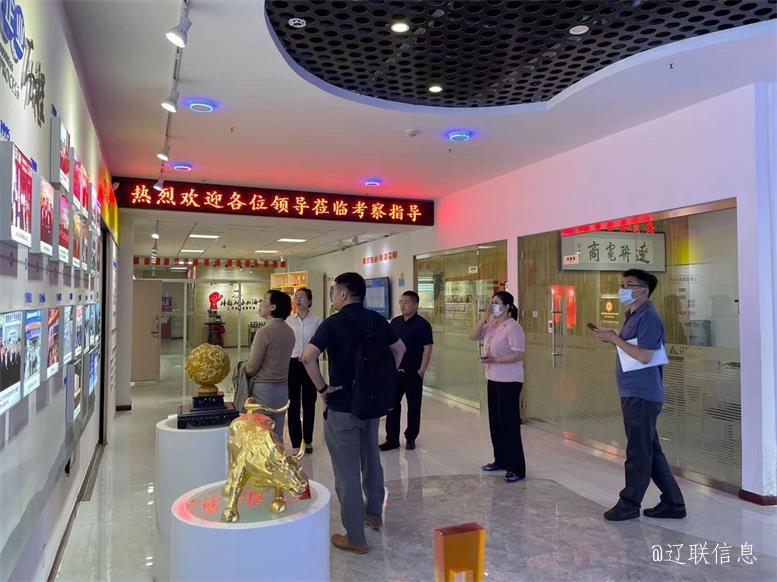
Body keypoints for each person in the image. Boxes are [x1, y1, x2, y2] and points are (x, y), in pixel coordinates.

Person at [301, 272, 405, 554]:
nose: (333, 296)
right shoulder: (377, 320)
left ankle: (355, 537)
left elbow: (308, 357)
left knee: (346, 473)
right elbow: (399, 349)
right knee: (372, 460)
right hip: (371, 406)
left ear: (344, 294)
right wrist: (383, 379)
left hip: (343, 407)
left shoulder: (333, 323)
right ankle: (374, 513)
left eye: (334, 291)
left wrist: (322, 388)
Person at [592, 269, 686, 521]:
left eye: (629, 285)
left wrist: (615, 339)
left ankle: (630, 503)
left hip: (642, 395)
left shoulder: (649, 318)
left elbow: (645, 355)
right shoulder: (633, 316)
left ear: (643, 291)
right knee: (650, 451)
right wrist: (613, 338)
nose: (623, 289)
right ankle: (674, 503)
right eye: (622, 284)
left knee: (638, 453)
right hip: (632, 392)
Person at [469, 290, 526, 483]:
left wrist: (496, 359)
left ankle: (516, 467)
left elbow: (518, 354)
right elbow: (473, 335)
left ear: (507, 307)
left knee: (508, 423)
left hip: (509, 381)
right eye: (491, 302)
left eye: (496, 303)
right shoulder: (492, 324)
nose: (492, 305)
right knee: (495, 421)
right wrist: (484, 317)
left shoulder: (513, 327)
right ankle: (500, 460)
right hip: (493, 378)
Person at [380, 290, 433, 451]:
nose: (402, 305)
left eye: (406, 302)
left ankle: (410, 437)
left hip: (413, 372)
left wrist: (422, 370)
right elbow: (388, 345)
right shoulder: (395, 322)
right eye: (400, 302)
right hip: (395, 372)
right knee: (392, 406)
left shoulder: (423, 325)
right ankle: (392, 439)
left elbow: (428, 348)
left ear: (415, 305)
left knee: (414, 406)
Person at [244, 290, 295, 440]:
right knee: (277, 436)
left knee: (262, 438)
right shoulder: (289, 331)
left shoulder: (264, 332)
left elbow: (252, 367)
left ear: (273, 307)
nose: (260, 304)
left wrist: (242, 369)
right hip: (282, 390)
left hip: (263, 391)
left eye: (264, 300)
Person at [286, 287, 323, 453]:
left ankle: (308, 440)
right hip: (292, 363)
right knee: (293, 403)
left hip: (310, 363)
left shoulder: (317, 321)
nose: (298, 300)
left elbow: (321, 343)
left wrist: (311, 355)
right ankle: (295, 443)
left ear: (309, 301)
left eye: (301, 297)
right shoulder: (288, 320)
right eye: (296, 297)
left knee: (309, 402)